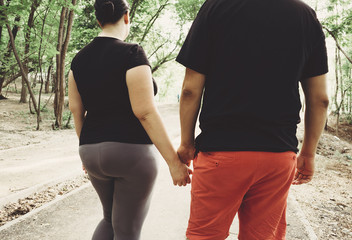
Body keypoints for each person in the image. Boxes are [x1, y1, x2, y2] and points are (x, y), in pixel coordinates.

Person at [176, 0, 329, 239]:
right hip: (277, 157)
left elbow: (190, 90)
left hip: (220, 154)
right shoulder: (304, 15)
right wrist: (308, 154)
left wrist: (186, 143)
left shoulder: (215, 7)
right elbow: (320, 99)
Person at [68, 0, 192, 239]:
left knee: (109, 219)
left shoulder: (78, 60)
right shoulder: (132, 53)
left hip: (91, 150)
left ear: (97, 20)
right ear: (126, 17)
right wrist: (174, 163)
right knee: (127, 230)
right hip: (131, 154)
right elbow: (145, 112)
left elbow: (76, 110)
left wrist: (85, 150)